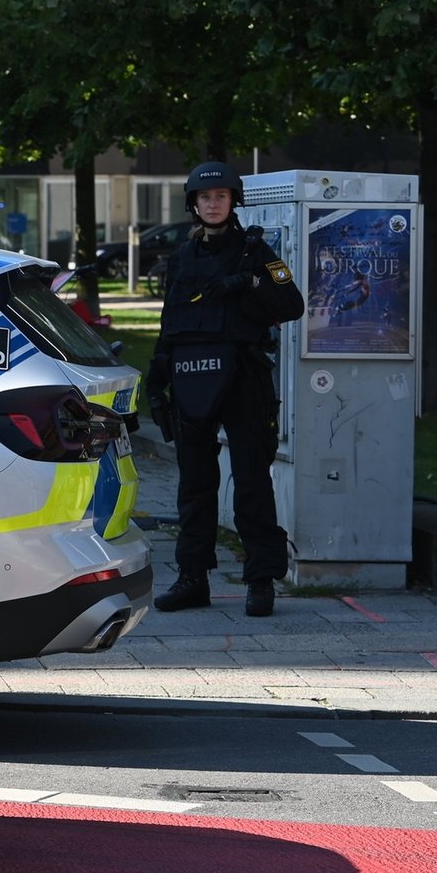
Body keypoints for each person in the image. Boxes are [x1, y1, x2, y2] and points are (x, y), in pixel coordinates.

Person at [144, 162, 306, 617]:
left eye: (221, 196)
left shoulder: (257, 252)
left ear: (234, 201)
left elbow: (291, 303)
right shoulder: (181, 257)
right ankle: (193, 578)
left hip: (243, 380)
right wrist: (158, 377)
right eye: (205, 197)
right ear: (193, 204)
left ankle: (261, 581)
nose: (213, 204)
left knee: (252, 481)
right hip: (191, 378)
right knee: (195, 487)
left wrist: (247, 281)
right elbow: (169, 323)